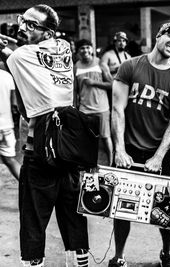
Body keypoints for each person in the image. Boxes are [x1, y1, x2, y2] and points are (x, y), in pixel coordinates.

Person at [0, 4, 89, 267]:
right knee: (73, 217)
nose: (22, 28)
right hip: (70, 149)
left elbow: (14, 58)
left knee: (33, 221)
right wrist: (15, 42)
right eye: (22, 21)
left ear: (48, 32)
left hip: (39, 149)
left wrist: (5, 47)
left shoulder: (20, 57)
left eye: (30, 24)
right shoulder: (64, 49)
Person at [109, 22, 170, 267]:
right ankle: (119, 256)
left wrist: (158, 156)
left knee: (165, 209)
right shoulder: (130, 66)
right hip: (129, 149)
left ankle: (166, 253)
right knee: (122, 207)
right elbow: (117, 109)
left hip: (160, 152)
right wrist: (119, 149)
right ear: (158, 36)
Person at [74, 39, 113, 165]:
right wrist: (75, 107)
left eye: (87, 47)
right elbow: (75, 90)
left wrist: (94, 83)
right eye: (82, 48)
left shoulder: (100, 63)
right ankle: (88, 165)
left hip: (102, 108)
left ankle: (112, 164)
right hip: (84, 109)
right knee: (85, 139)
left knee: (106, 137)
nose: (85, 50)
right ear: (78, 51)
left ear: (91, 49)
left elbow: (112, 85)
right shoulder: (76, 66)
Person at [0, 69, 21, 180]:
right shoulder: (7, 76)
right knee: (10, 159)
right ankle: (28, 187)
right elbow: (15, 106)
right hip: (6, 125)